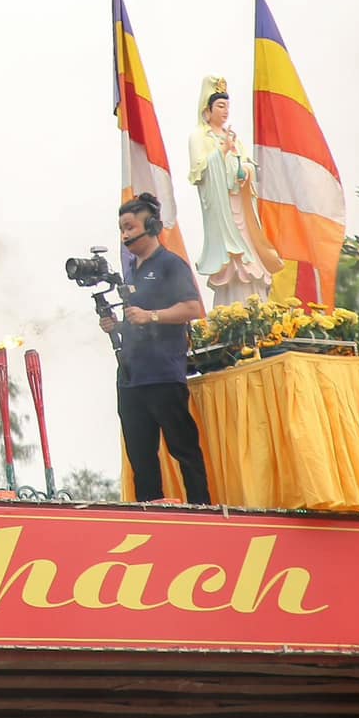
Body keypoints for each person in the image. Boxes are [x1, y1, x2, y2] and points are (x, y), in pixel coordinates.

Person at [98, 193, 211, 504]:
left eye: (130, 227)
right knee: (140, 455)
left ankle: (202, 509)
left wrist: (152, 316)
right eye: (121, 229)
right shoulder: (130, 271)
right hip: (130, 376)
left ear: (151, 226)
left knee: (183, 448)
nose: (125, 235)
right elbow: (135, 322)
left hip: (162, 373)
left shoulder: (171, 264)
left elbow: (192, 308)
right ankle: (150, 512)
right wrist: (115, 326)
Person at [186, 78, 275, 307]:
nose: (225, 111)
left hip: (240, 205)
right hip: (221, 210)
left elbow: (248, 164)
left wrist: (244, 170)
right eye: (220, 106)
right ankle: (232, 312)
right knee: (232, 261)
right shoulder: (199, 136)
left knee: (250, 258)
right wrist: (222, 153)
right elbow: (199, 171)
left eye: (227, 106)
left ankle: (256, 306)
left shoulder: (233, 136)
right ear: (207, 109)